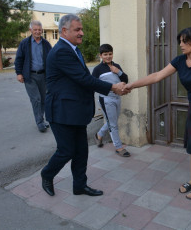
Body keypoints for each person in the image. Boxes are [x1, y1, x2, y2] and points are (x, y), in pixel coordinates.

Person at [124, 27, 191, 200]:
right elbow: (157, 76)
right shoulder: (180, 61)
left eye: (184, 41)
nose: (181, 45)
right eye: (179, 41)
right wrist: (132, 85)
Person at [40, 14, 128, 197]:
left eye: (81, 29)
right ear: (64, 31)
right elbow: (83, 79)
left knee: (81, 151)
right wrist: (112, 87)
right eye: (77, 30)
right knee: (66, 151)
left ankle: (79, 185)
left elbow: (81, 80)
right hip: (61, 112)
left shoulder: (73, 49)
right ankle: (47, 174)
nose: (82, 33)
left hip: (75, 111)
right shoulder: (62, 51)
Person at [92, 44, 130, 157]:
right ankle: (118, 147)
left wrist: (118, 71)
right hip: (106, 99)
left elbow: (125, 79)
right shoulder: (98, 69)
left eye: (110, 54)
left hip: (117, 98)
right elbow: (93, 84)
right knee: (113, 124)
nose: (108, 56)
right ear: (101, 55)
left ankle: (99, 135)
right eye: (105, 54)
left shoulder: (116, 66)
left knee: (112, 121)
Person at [14, 21, 52, 132]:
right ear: (30, 30)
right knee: (36, 99)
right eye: (35, 29)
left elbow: (51, 58)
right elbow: (19, 59)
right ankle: (40, 122)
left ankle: (42, 120)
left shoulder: (45, 44)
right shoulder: (25, 43)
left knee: (44, 99)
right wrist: (19, 73)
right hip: (30, 76)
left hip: (43, 75)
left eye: (39, 30)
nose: (37, 31)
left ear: (42, 30)